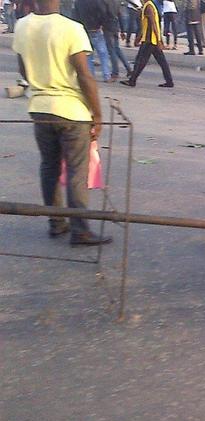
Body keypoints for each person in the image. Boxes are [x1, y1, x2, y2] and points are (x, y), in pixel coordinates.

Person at [13, 0, 112, 246]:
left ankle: (56, 223)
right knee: (77, 171)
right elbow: (84, 75)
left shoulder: (22, 25)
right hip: (71, 111)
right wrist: (97, 115)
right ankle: (80, 230)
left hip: (39, 108)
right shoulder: (71, 28)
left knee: (49, 167)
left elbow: (23, 70)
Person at [121, 0, 174, 87]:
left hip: (149, 40)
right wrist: (139, 37)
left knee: (140, 60)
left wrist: (159, 40)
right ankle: (169, 81)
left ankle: (132, 80)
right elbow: (145, 25)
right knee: (162, 62)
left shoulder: (149, 7)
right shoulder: (148, 6)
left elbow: (154, 25)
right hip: (151, 40)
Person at [74, 0, 112, 83]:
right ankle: (107, 75)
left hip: (84, 30)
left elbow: (75, 16)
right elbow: (103, 14)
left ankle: (91, 76)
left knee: (88, 55)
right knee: (103, 54)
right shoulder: (98, 1)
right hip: (96, 29)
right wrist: (102, 25)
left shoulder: (78, 2)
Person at [103, 0, 132, 81]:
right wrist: (122, 31)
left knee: (111, 51)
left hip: (107, 27)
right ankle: (129, 69)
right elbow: (120, 16)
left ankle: (115, 72)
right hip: (115, 26)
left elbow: (102, 14)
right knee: (117, 49)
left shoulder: (104, 2)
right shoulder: (117, 2)